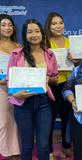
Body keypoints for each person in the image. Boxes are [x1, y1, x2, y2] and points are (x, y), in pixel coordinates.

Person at [6, 19, 59, 160]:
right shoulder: (16, 55)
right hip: (23, 104)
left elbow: (55, 78)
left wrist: (49, 79)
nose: (34, 35)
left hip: (44, 103)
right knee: (27, 145)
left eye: (37, 31)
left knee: (43, 146)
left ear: (42, 33)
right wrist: (16, 94)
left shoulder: (50, 54)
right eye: (30, 32)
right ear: (25, 35)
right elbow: (9, 80)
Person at [44, 12, 74, 160]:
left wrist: (75, 60)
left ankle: (66, 147)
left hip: (69, 85)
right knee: (48, 120)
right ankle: (49, 151)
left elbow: (79, 64)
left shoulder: (70, 42)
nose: (58, 26)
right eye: (54, 23)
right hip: (52, 85)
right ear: (49, 26)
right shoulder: (43, 43)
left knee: (67, 119)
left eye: (60, 23)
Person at [0, 14, 21, 160]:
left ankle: (16, 152)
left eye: (10, 25)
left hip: (16, 90)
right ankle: (6, 152)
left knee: (16, 122)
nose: (7, 28)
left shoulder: (19, 46)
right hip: (1, 90)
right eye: (3, 25)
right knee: (4, 122)